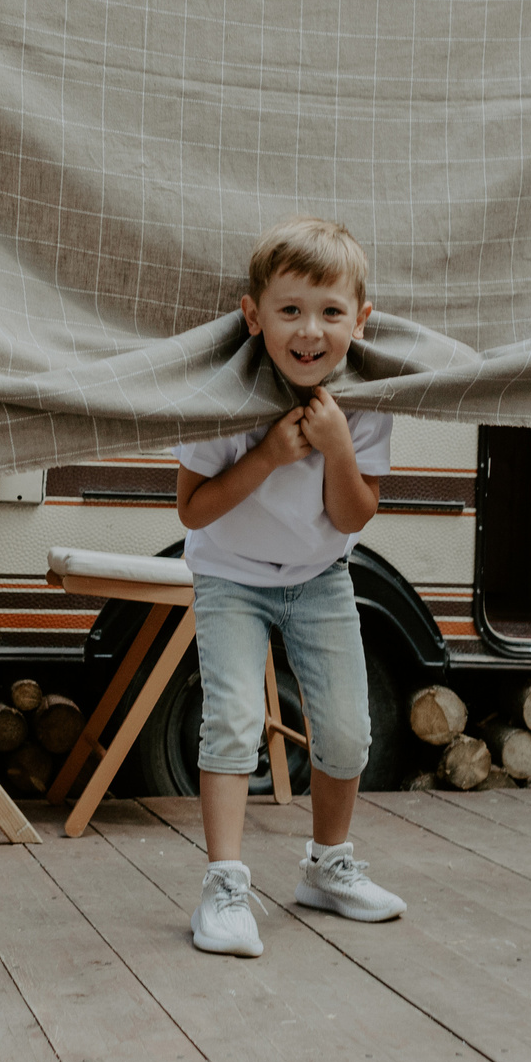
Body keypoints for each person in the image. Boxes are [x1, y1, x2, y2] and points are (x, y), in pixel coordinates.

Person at [174, 216, 406, 957]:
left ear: (360, 321)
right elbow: (193, 507)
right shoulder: (225, 393)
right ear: (254, 315)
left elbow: (353, 513)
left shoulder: (366, 399)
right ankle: (225, 885)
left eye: (331, 312)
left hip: (318, 573)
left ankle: (327, 866)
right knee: (235, 722)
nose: (310, 331)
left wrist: (337, 445)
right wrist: (271, 454)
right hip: (230, 577)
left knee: (346, 729)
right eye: (291, 310)